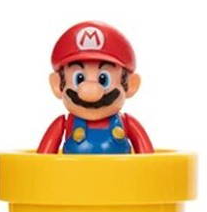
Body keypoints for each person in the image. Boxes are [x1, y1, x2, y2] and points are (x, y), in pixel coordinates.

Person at [37, 21, 152, 155]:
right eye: (79, 78)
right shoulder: (63, 124)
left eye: (103, 79)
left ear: (131, 84)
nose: (90, 91)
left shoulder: (127, 123)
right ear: (57, 84)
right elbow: (41, 161)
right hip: (74, 169)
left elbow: (149, 160)